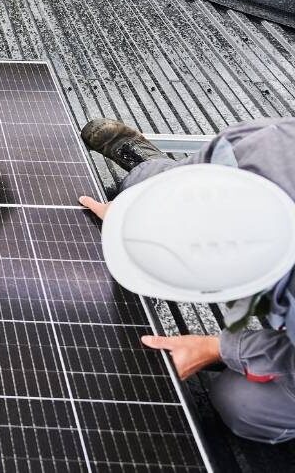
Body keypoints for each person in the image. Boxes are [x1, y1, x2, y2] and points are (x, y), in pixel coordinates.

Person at [78, 117, 295, 444]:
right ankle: (149, 163)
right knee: (142, 187)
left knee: (244, 403)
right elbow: (191, 177)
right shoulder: (266, 147)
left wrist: (218, 349)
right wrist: (130, 219)